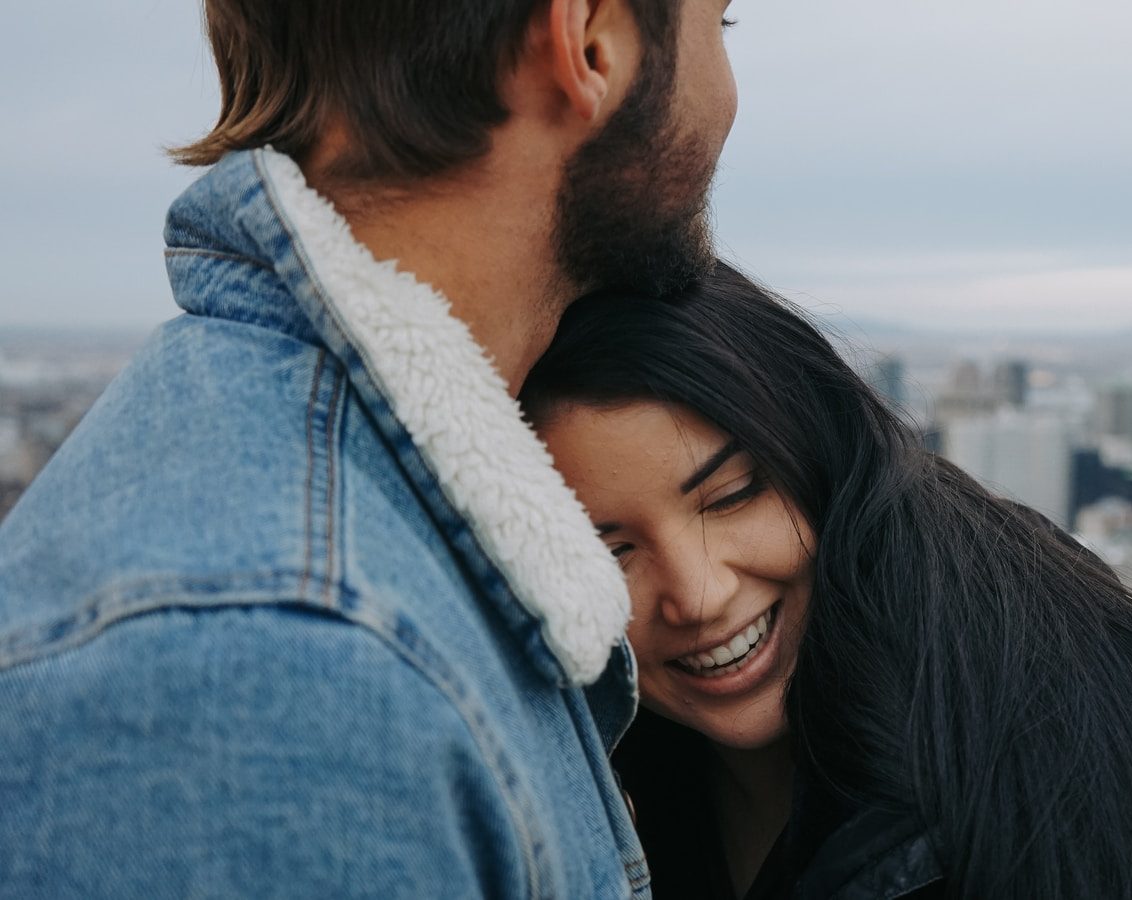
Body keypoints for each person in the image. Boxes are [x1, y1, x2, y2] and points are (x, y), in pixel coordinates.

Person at [0, 1, 738, 895]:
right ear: (588, 42)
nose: (728, 94)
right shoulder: (280, 674)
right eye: (721, 25)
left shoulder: (336, 575)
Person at [521, 263, 1132, 899]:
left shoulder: (1066, 763)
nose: (700, 594)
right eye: (608, 550)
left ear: (825, 464)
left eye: (732, 497)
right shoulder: (591, 780)